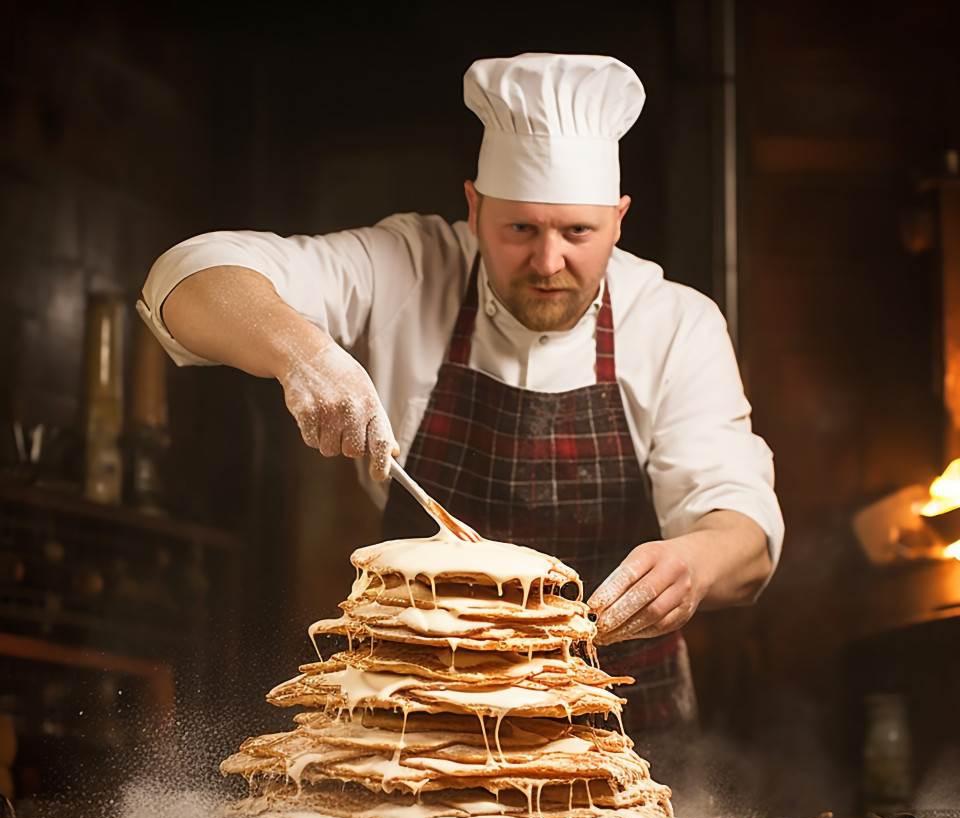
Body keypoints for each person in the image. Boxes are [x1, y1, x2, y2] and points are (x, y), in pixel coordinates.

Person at [137, 53, 784, 741]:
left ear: (619, 219)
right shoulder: (411, 268)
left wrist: (695, 563)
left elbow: (743, 531)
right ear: (474, 208)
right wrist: (303, 354)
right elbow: (185, 276)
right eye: (520, 230)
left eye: (578, 233)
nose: (548, 263)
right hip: (419, 713)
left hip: (619, 728)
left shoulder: (676, 323)